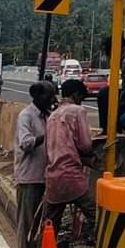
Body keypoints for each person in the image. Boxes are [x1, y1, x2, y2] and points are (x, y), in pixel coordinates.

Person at [41, 79, 95, 233]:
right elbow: (85, 145)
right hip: (71, 176)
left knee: (50, 226)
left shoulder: (52, 116)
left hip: (53, 177)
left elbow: (47, 148)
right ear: (76, 95)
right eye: (81, 97)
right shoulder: (77, 111)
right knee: (96, 215)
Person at [15, 81, 55, 248]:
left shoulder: (49, 116)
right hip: (29, 178)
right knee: (27, 226)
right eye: (49, 95)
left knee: (41, 225)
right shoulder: (26, 116)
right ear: (37, 96)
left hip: (46, 177)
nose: (52, 99)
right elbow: (25, 143)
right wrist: (47, 135)